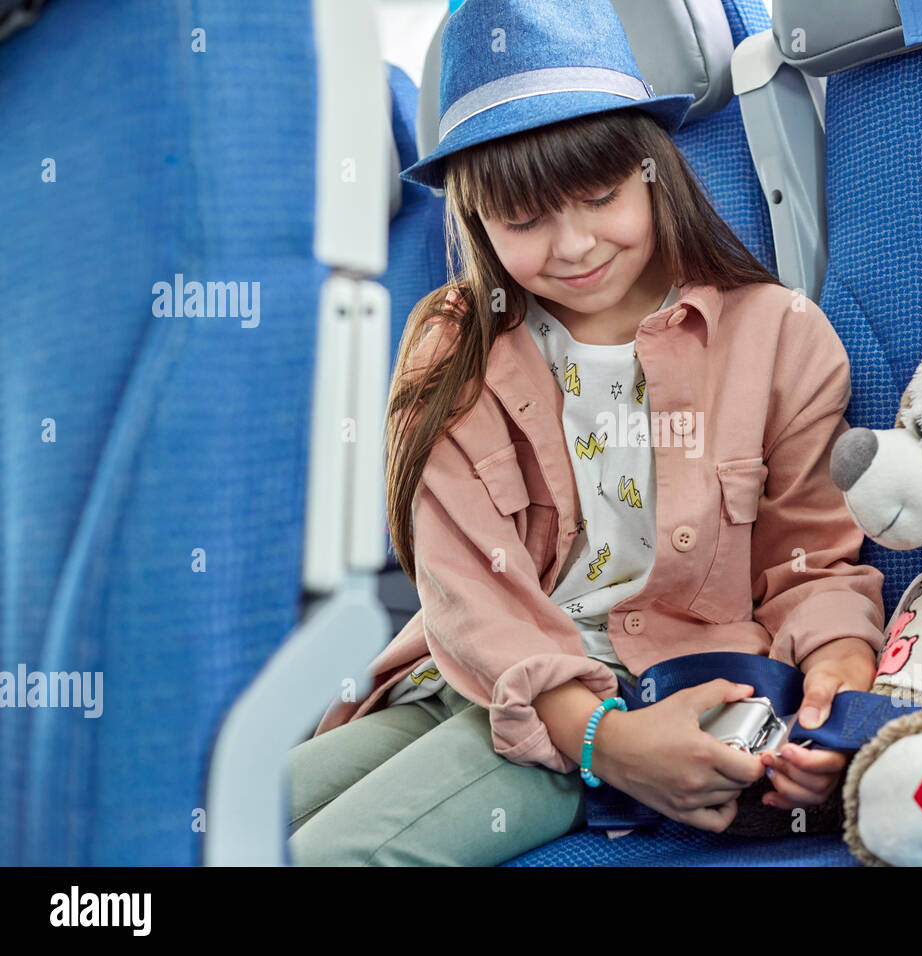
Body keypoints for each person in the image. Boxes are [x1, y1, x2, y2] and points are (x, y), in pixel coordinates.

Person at [287, 0, 885, 866]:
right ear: (476, 219)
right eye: (523, 221)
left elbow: (810, 565)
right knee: (219, 828)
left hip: (647, 693)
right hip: (469, 679)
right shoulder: (451, 348)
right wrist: (604, 740)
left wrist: (839, 693)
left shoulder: (777, 336)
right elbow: (466, 596)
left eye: (599, 197)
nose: (571, 246)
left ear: (654, 172)